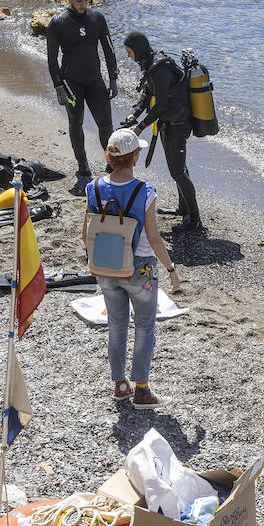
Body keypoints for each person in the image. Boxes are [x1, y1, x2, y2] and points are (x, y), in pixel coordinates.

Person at [81, 129, 181, 409]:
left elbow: (85, 233)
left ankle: (119, 384)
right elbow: (154, 237)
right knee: (146, 326)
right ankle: (142, 391)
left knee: (116, 324)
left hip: (105, 266)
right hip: (140, 270)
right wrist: (171, 269)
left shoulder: (94, 188)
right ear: (134, 157)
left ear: (110, 156)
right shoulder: (145, 191)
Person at [119, 31, 202, 233]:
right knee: (178, 169)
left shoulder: (160, 69)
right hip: (167, 122)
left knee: (177, 172)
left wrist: (140, 127)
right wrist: (134, 114)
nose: (129, 56)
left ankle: (195, 220)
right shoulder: (150, 65)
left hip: (178, 124)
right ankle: (184, 208)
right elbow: (147, 94)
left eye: (130, 52)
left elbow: (162, 103)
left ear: (137, 49)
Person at [46, 0, 119, 194]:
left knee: (106, 124)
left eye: (86, 0)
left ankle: (111, 161)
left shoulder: (97, 18)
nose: (82, 5)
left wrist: (113, 79)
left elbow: (109, 50)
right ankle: (82, 164)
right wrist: (58, 86)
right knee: (75, 121)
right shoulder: (58, 23)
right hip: (71, 82)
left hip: (95, 80)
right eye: (78, 1)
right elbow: (52, 59)